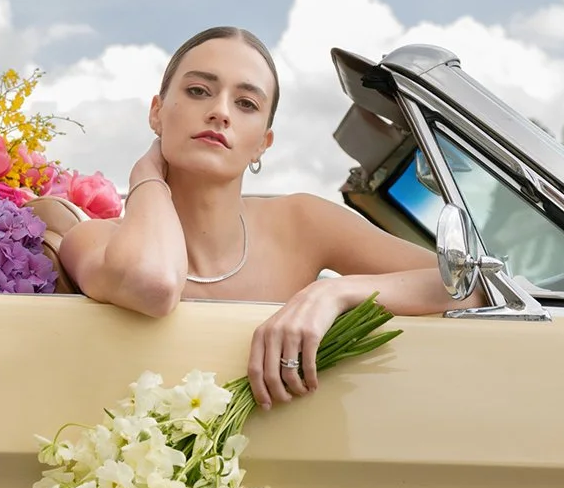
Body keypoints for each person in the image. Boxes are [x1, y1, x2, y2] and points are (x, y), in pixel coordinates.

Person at [59, 26, 486, 410]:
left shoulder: (302, 221)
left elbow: (472, 285)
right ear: (157, 112)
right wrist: (146, 174)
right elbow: (152, 284)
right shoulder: (92, 240)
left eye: (246, 103)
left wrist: (333, 294)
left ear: (263, 142)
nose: (220, 112)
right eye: (198, 91)